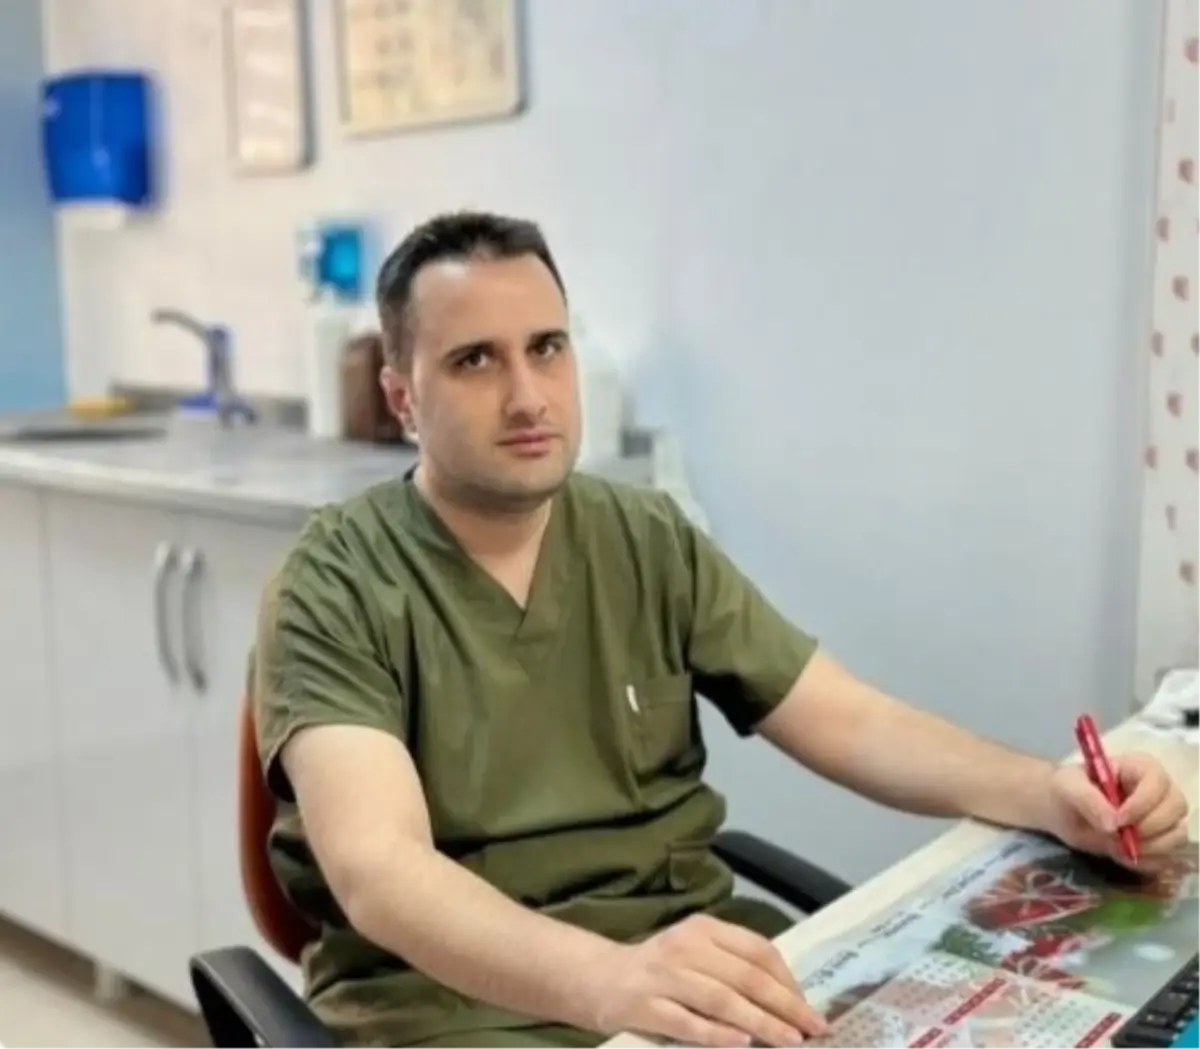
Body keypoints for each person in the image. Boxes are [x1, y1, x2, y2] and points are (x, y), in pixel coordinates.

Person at [252, 210, 1189, 1049]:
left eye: (547, 348)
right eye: (475, 360)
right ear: (403, 399)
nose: (529, 395)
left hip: (686, 963)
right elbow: (380, 869)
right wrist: (609, 978)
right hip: (454, 1003)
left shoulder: (644, 536)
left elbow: (846, 719)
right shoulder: (336, 581)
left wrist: (1045, 792)